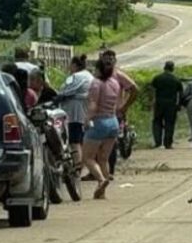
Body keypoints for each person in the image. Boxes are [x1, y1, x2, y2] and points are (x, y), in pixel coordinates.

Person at [84, 55, 123, 200]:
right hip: (113, 122)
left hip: (99, 122)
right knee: (103, 158)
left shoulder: (96, 83)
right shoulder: (115, 83)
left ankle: (101, 180)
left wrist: (87, 119)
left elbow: (93, 104)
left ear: (98, 69)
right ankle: (102, 192)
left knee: (87, 157)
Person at [100, 50, 139, 177]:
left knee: (112, 143)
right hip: (99, 114)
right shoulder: (97, 75)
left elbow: (134, 89)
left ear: (115, 61)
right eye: (106, 59)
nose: (108, 61)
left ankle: (110, 170)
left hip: (115, 114)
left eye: (111, 59)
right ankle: (97, 171)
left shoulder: (118, 75)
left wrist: (124, 107)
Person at [56, 55, 93, 169]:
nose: (69, 67)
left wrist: (58, 97)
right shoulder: (89, 75)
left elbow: (65, 90)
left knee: (74, 141)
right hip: (85, 110)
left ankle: (77, 166)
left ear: (75, 65)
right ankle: (81, 164)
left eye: (70, 64)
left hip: (74, 112)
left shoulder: (75, 77)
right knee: (81, 140)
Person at [151, 61, 184, 149]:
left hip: (159, 103)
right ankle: (168, 143)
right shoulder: (176, 79)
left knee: (157, 122)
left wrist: (152, 102)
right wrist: (179, 104)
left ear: (164, 68)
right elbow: (180, 94)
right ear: (172, 68)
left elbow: (153, 91)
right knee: (170, 123)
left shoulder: (157, 78)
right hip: (171, 105)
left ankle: (158, 142)